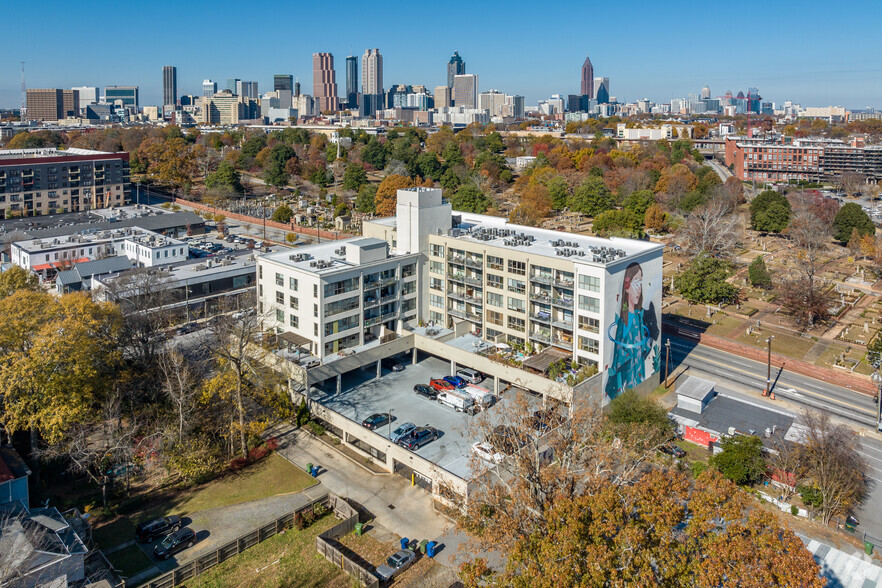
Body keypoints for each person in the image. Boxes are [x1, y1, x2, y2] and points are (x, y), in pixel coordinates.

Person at [605, 262, 659, 401]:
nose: (639, 289)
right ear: (627, 285)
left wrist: (648, 340)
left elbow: (649, 341)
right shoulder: (621, 321)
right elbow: (618, 358)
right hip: (625, 385)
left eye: (640, 283)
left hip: (638, 379)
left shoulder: (641, 316)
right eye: (636, 283)